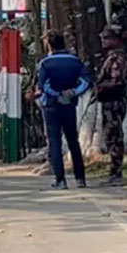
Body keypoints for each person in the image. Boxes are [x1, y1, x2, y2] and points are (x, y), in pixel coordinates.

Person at [37, 31, 91, 189]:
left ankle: (61, 179)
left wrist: (57, 94)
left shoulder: (45, 63)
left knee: (55, 142)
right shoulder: (75, 61)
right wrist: (73, 93)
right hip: (70, 105)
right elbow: (86, 81)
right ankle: (80, 178)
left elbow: (44, 86)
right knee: (73, 141)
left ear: (49, 45)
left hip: (52, 106)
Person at [96, 25, 127, 187]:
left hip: (114, 101)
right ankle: (114, 172)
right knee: (110, 136)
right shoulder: (110, 57)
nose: (103, 41)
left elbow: (117, 81)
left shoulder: (117, 58)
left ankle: (116, 173)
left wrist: (100, 87)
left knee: (115, 137)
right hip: (108, 102)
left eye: (107, 38)